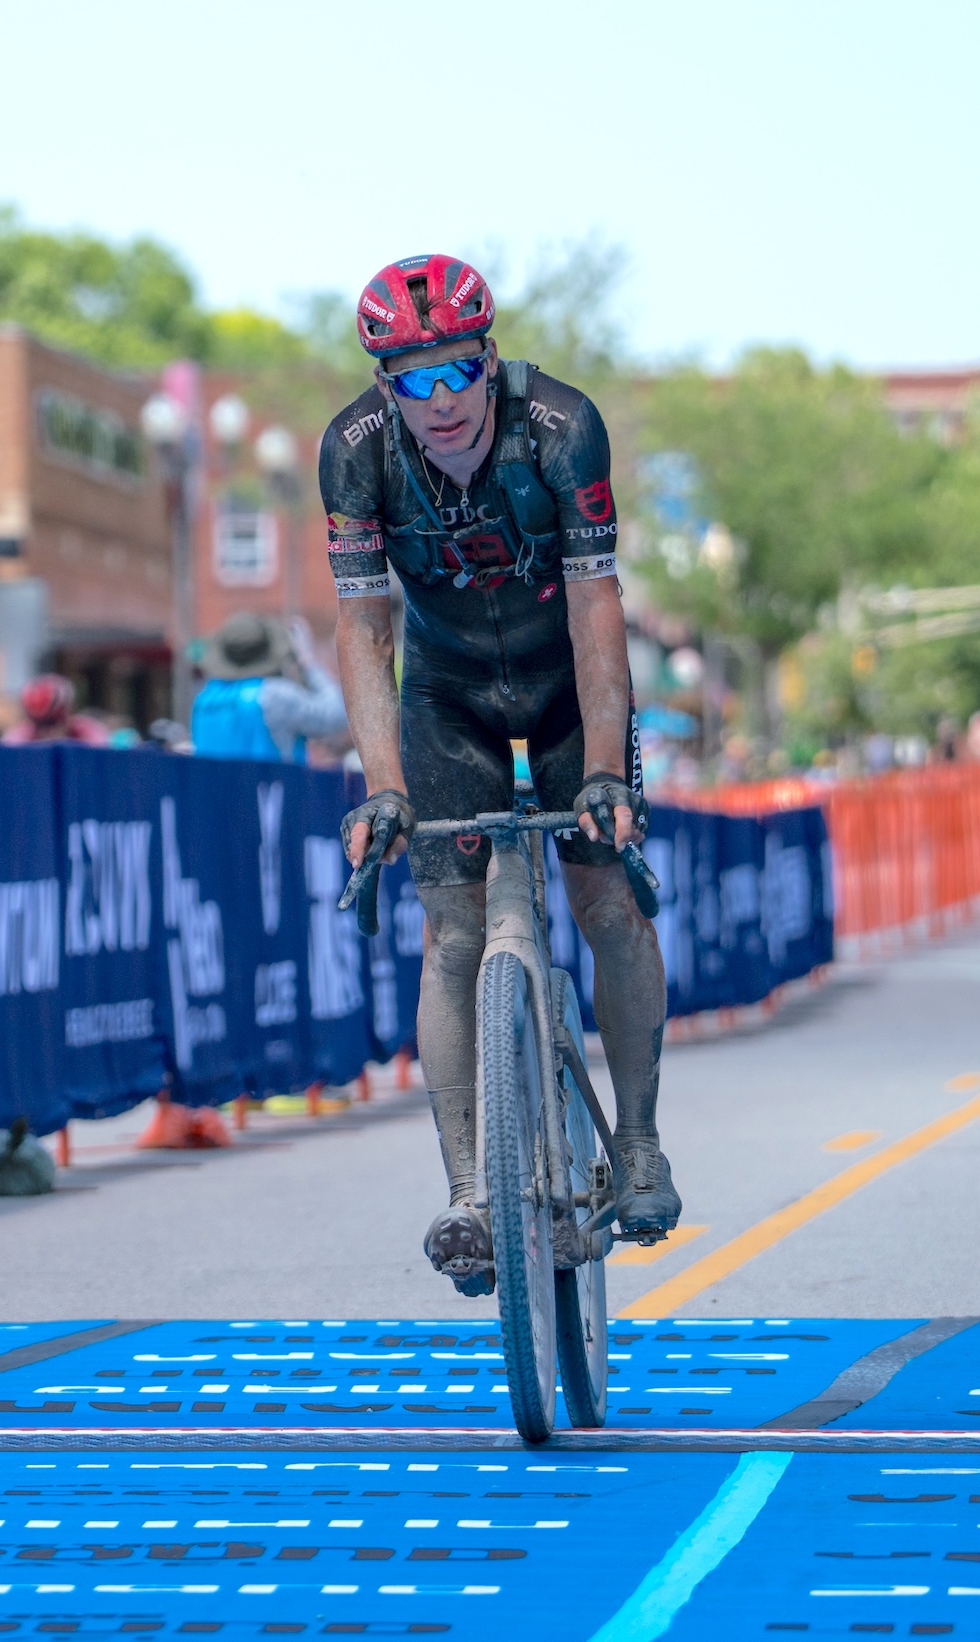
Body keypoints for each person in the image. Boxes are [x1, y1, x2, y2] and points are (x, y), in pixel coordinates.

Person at [324, 252, 678, 1297]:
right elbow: (361, 623)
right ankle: (473, 1193)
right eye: (409, 380)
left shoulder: (562, 427)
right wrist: (382, 781)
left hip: (569, 683)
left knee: (607, 897)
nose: (436, 402)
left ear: (487, 362)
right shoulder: (353, 452)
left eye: (452, 374)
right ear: (384, 387)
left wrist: (606, 771)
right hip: (449, 696)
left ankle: (643, 1147)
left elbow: (595, 601)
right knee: (452, 931)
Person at [190, 613, 348, 763]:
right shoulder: (275, 695)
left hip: (213, 791)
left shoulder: (205, 698)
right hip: (271, 789)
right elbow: (336, 715)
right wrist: (307, 660)